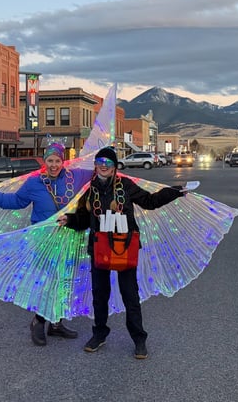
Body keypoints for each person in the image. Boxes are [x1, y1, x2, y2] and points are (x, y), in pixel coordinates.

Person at [57, 146, 185, 360]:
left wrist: (174, 192)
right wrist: (69, 220)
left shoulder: (125, 186)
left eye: (107, 163)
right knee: (99, 294)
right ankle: (99, 334)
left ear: (115, 166)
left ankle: (139, 338)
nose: (103, 166)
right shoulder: (89, 190)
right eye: (99, 162)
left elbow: (150, 202)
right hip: (99, 248)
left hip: (124, 247)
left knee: (130, 294)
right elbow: (83, 220)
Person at [0, 142, 93, 346]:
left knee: (64, 280)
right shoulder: (34, 183)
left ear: (63, 161)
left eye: (57, 161)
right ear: (44, 161)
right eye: (50, 160)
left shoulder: (76, 176)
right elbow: (15, 201)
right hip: (43, 239)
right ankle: (38, 321)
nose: (54, 165)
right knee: (46, 281)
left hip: (69, 237)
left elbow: (100, 171)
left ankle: (56, 323)